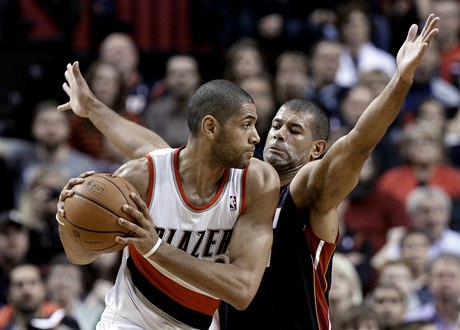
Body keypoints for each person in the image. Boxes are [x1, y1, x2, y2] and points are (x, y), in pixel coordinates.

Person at [56, 14, 440, 329]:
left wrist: (400, 80)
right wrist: (92, 108)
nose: (274, 135)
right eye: (274, 125)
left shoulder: (308, 188)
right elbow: (151, 148)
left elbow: (358, 143)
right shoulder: (240, 179)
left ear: (317, 150)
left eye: (294, 131)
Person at [57, 68, 280, 329]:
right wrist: (68, 216)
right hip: (129, 321)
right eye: (246, 124)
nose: (256, 136)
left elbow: (242, 291)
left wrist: (155, 248)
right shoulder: (143, 177)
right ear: (210, 127)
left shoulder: (257, 182)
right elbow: (80, 256)